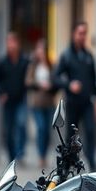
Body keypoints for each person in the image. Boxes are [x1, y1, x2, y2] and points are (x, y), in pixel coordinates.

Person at [54, 21, 96, 171]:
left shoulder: (89, 56)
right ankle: (68, 163)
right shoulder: (67, 56)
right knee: (71, 136)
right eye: (80, 33)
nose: (82, 36)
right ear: (74, 34)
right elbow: (55, 77)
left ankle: (92, 162)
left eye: (84, 33)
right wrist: (69, 85)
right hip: (73, 102)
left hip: (87, 102)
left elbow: (94, 80)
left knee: (91, 131)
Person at [0, 32, 28, 163]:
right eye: (9, 43)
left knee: (21, 124)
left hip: (21, 99)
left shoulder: (24, 61)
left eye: (14, 42)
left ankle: (20, 153)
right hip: (8, 101)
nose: (12, 46)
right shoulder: (2, 62)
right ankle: (11, 155)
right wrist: (1, 93)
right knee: (9, 129)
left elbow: (28, 78)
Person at [25, 38, 56, 169]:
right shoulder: (33, 66)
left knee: (48, 131)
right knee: (41, 128)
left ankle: (44, 154)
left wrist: (51, 85)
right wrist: (39, 84)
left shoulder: (51, 65)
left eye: (42, 49)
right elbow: (28, 81)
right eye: (38, 49)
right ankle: (41, 156)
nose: (40, 52)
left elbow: (57, 80)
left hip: (49, 102)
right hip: (37, 103)